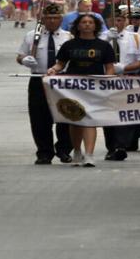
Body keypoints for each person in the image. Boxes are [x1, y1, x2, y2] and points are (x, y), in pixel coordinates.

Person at [46, 12, 116, 166]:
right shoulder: (69, 45)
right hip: (73, 88)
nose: (87, 25)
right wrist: (53, 69)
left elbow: (110, 67)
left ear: (95, 26)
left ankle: (89, 155)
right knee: (76, 120)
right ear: (78, 26)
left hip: (95, 88)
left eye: (90, 22)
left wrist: (108, 80)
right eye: (84, 22)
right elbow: (61, 64)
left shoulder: (104, 46)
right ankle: (77, 151)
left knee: (90, 120)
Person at [16, 2, 74, 164]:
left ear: (61, 19)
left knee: (66, 116)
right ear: (42, 19)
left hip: (63, 81)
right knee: (39, 119)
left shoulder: (69, 37)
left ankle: (64, 150)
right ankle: (44, 152)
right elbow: (20, 55)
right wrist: (24, 60)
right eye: (48, 18)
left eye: (55, 17)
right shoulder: (32, 36)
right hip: (38, 79)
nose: (52, 21)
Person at [105, 8, 140, 161]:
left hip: (128, 79)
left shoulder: (136, 38)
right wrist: (106, 40)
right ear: (108, 21)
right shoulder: (101, 38)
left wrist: (124, 68)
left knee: (125, 114)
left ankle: (121, 146)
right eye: (113, 20)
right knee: (108, 116)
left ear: (125, 21)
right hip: (107, 81)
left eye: (120, 20)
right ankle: (111, 147)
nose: (116, 23)